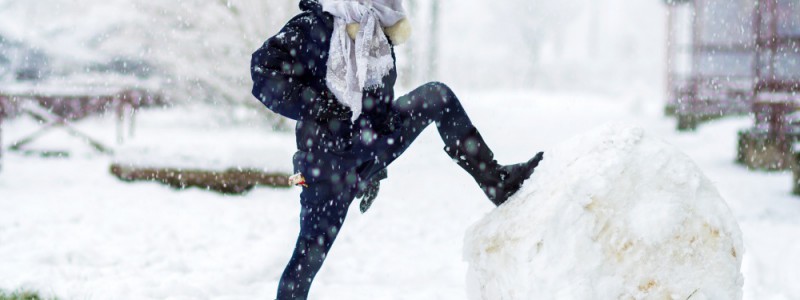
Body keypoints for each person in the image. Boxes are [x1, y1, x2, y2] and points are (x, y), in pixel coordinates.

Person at [250, 0, 544, 298]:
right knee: (307, 259)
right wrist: (317, 104)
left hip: (372, 143)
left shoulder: (375, 31)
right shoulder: (310, 26)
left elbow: (377, 102)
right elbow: (262, 72)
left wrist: (376, 166)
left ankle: (497, 183)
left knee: (437, 96)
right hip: (328, 165)